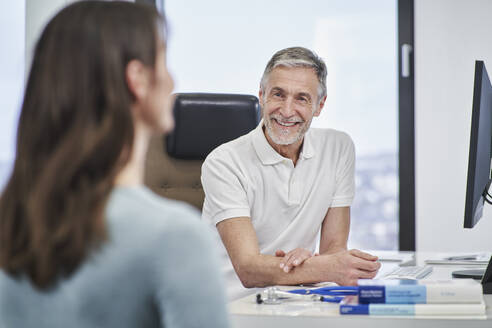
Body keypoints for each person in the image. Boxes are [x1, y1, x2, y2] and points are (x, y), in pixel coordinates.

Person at [0, 2, 229, 327]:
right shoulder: (175, 237)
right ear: (137, 78)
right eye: (163, 61)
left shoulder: (13, 217)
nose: (171, 79)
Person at [201, 47, 381, 300]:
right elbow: (248, 269)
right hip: (231, 308)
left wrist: (314, 264)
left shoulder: (338, 148)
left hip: (296, 302)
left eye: (302, 98)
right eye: (278, 94)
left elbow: (333, 252)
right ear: (262, 95)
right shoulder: (224, 162)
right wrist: (318, 267)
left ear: (320, 105)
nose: (287, 111)